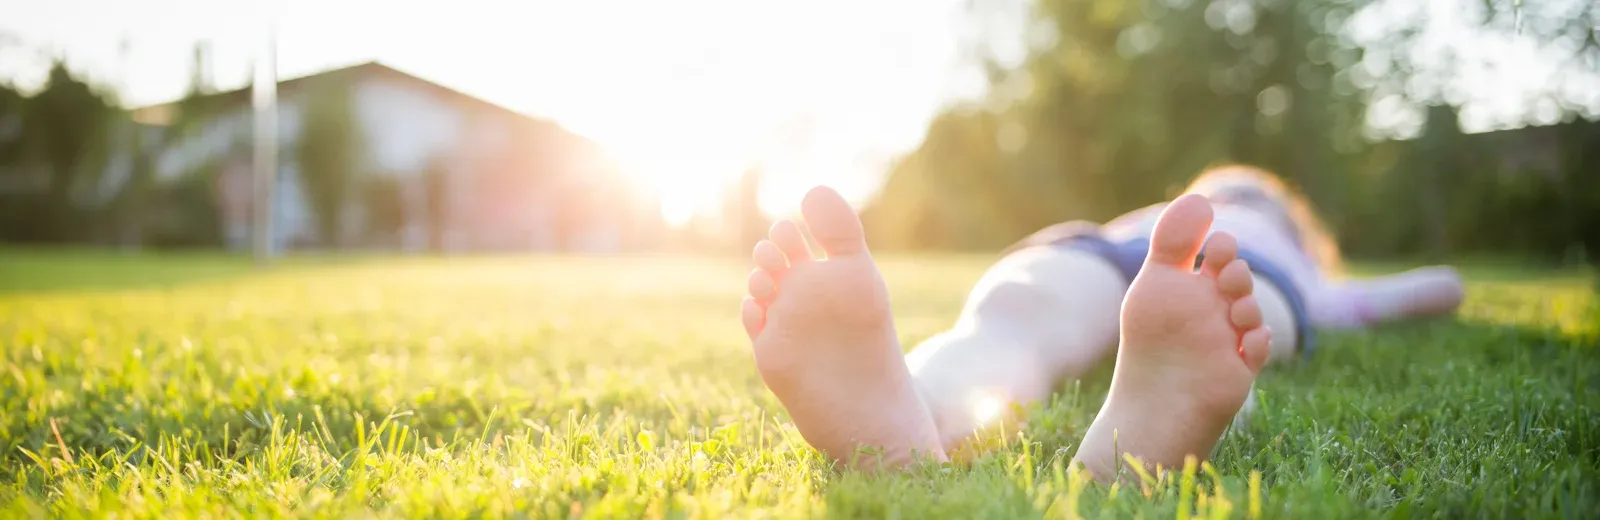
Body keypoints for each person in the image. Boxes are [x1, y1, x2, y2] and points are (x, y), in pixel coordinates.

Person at [737, 164, 1465, 481]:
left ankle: (926, 403)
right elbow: (1432, 290)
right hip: (1212, 267)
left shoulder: (1157, 218)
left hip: (1089, 247)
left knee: (1010, 324)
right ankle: (1141, 442)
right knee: (1233, 332)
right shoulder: (1307, 268)